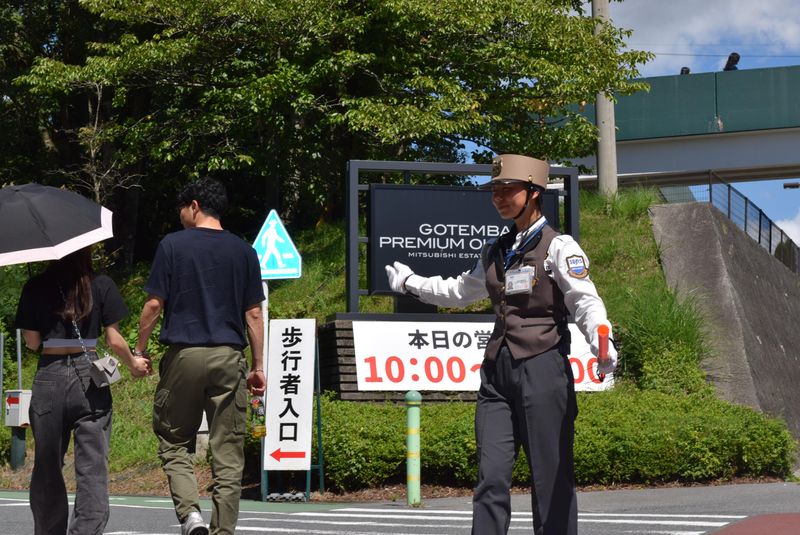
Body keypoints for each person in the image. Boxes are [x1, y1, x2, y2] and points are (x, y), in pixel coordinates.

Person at [385, 154, 617, 535]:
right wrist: (412, 282)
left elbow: (585, 301)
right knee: (490, 478)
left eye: (508, 189)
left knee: (551, 480)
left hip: (544, 368)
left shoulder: (560, 247)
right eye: (494, 190)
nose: (499, 196)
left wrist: (601, 342)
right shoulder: (496, 250)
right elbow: (459, 291)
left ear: (534, 192)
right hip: (497, 374)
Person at [134, 177, 266, 535]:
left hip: (184, 356)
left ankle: (190, 516)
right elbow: (253, 314)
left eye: (181, 209)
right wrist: (257, 367)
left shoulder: (173, 245)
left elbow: (153, 304)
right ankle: (223, 530)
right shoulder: (244, 252)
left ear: (194, 205)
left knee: (174, 440)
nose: (180, 217)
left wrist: (140, 350)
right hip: (228, 357)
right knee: (228, 452)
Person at [15, 246, 152, 535]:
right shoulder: (100, 284)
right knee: (93, 467)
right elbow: (114, 340)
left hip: (49, 375)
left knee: (47, 465)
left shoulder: (34, 285)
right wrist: (133, 364)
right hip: (90, 375)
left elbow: (31, 342)